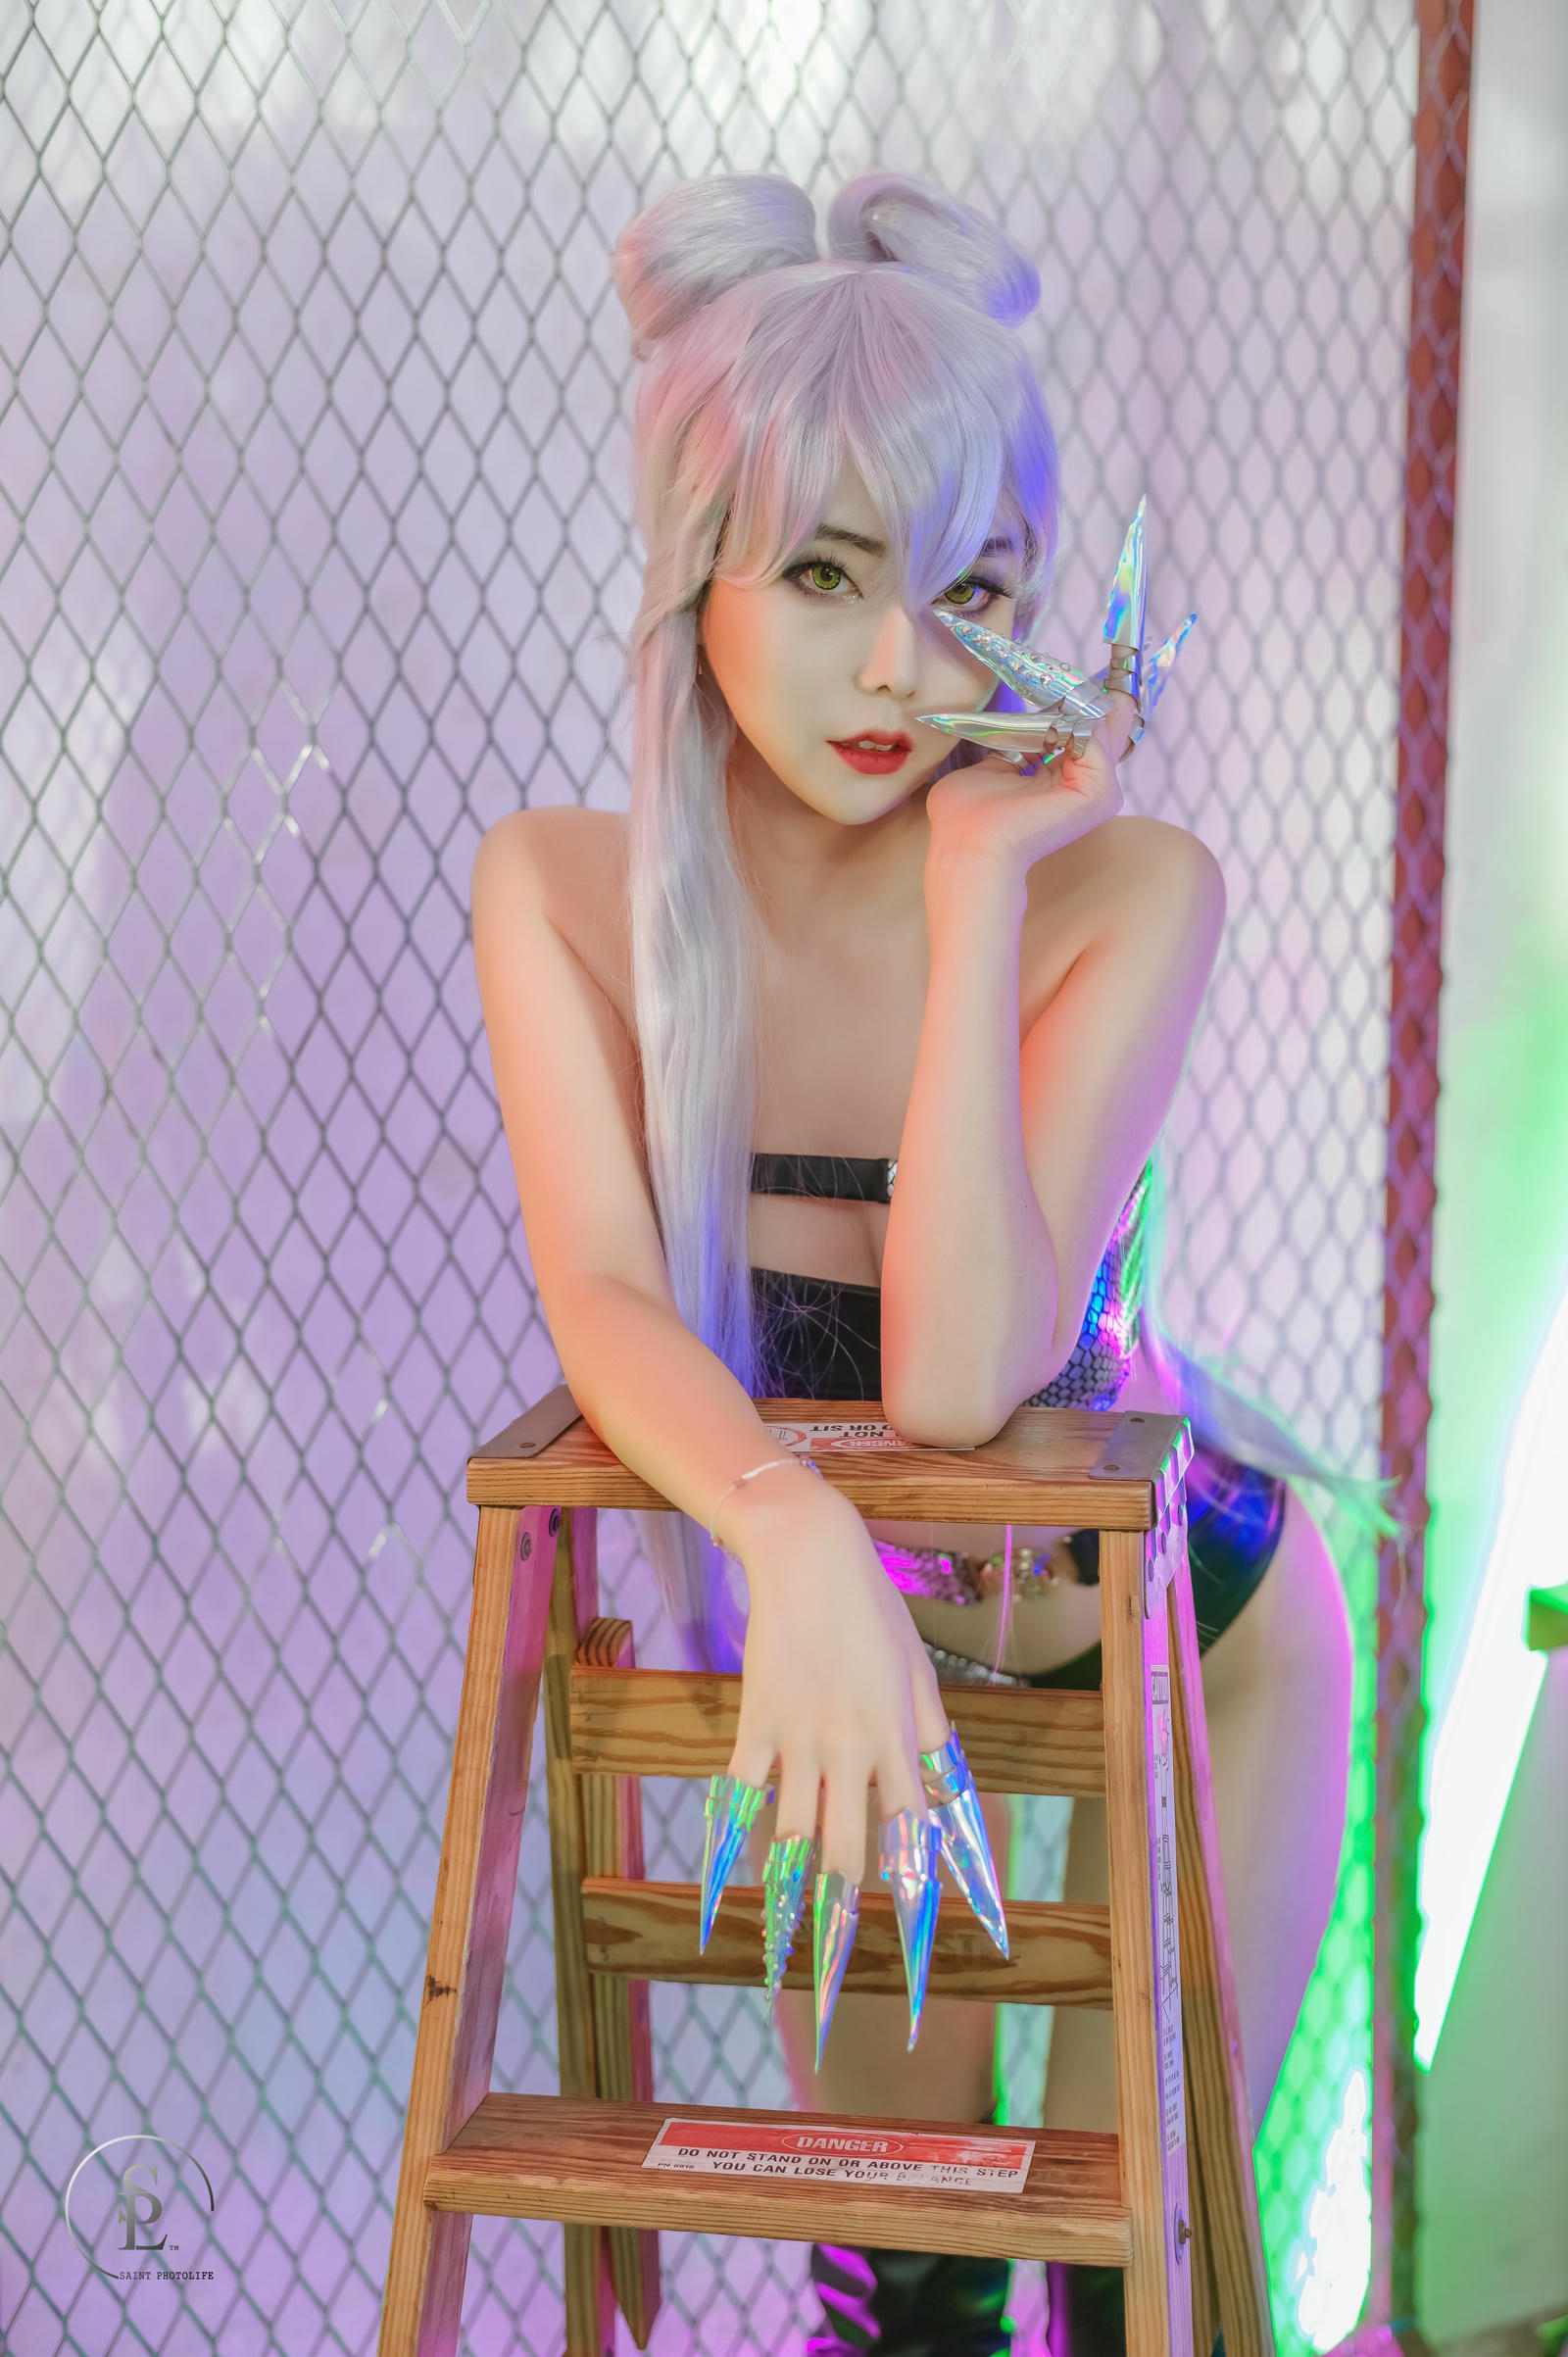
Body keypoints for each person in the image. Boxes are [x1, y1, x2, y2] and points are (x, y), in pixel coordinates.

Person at [471, 171, 1353, 2357]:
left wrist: (979, 898)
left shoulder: (1125, 890)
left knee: (1140, 2284)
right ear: (696, 570)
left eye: (971, 587)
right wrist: (789, 1534)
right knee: (905, 2292)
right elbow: (604, 1295)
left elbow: (959, 1379)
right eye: (825, 573)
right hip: (856, 1638)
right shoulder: (569, 895)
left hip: (1182, 1637)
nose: (902, 665)